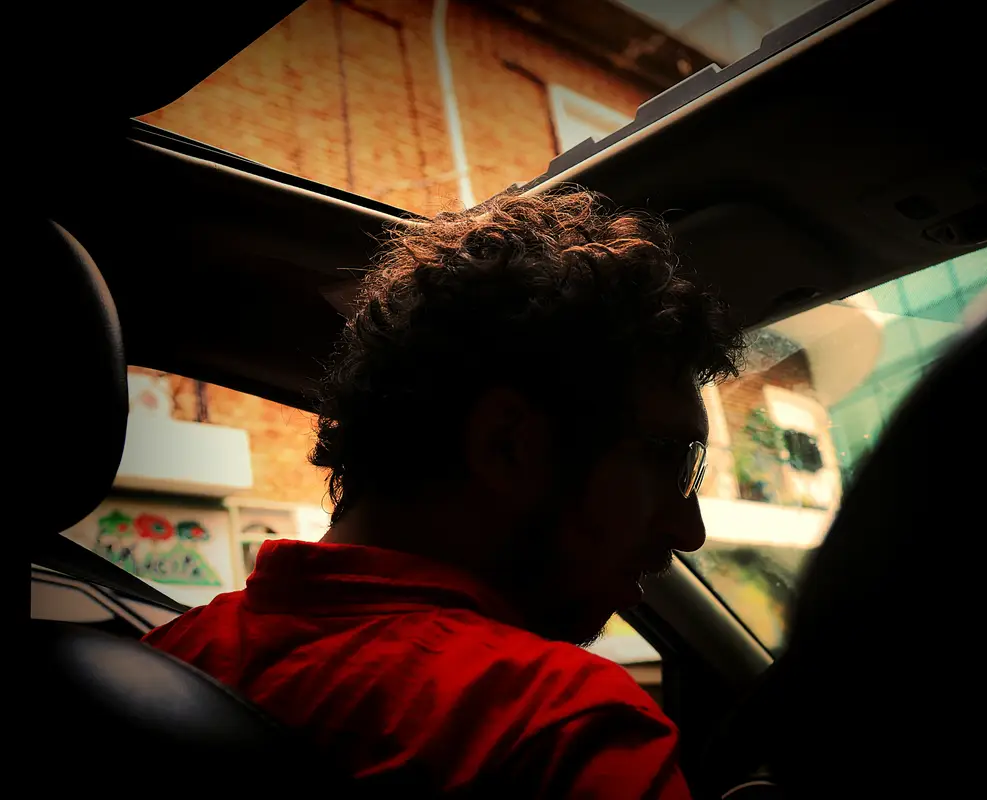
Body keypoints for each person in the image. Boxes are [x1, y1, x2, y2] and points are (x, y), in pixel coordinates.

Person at [143, 189, 746, 797]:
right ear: (509, 443)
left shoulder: (165, 656)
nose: (688, 529)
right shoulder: (564, 733)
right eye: (671, 461)